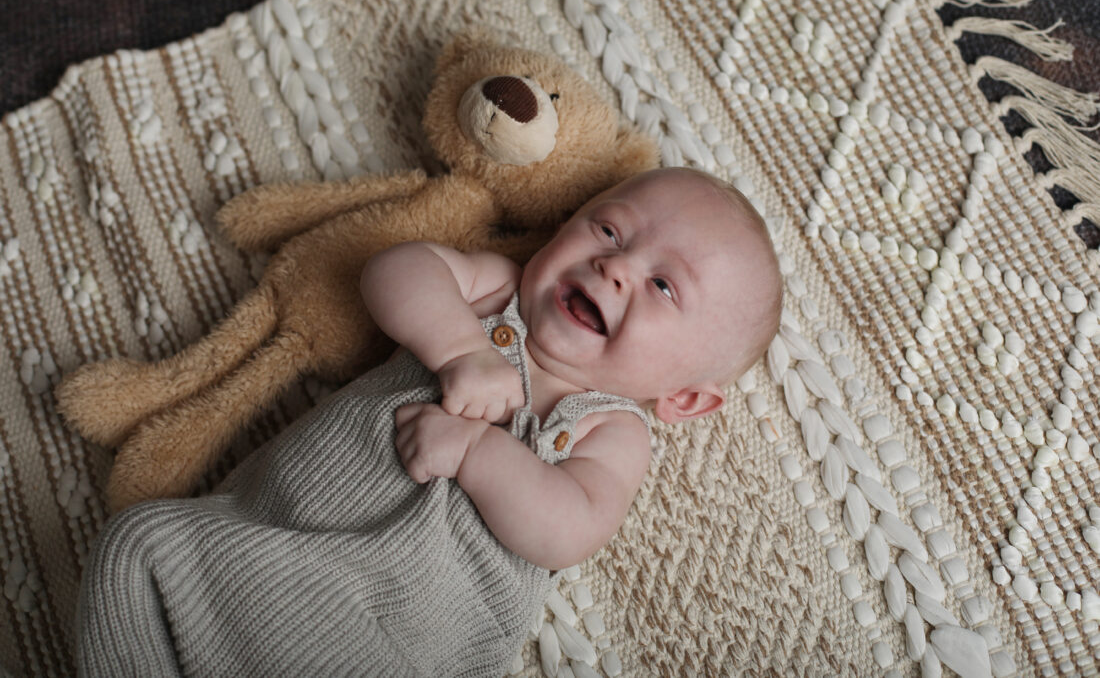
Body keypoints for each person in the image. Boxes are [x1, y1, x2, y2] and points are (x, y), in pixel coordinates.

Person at [75, 166, 783, 677]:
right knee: (136, 543)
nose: (616, 265)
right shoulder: (495, 291)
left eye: (663, 285)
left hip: (397, 641)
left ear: (685, 399)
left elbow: (570, 527)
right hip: (261, 548)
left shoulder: (611, 429)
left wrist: (477, 451)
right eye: (607, 228)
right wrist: (461, 351)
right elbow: (395, 271)